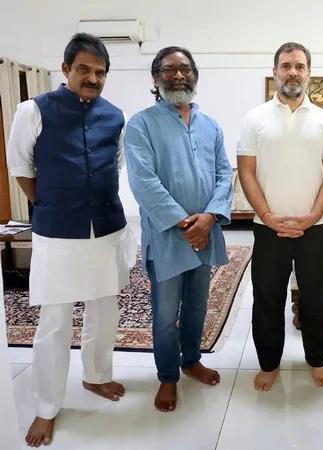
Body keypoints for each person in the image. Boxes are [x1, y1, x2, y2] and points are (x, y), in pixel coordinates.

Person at [7, 33, 135, 447]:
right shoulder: (33, 110)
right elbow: (21, 166)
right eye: (84, 69)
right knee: (55, 321)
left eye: (100, 72)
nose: (92, 78)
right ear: (66, 70)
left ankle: (96, 376)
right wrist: (48, 201)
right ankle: (47, 406)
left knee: (105, 310)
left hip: (106, 228)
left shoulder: (115, 115)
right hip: (57, 231)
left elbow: (113, 165)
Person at [124, 46, 232, 413]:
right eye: (169, 70)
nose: (179, 75)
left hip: (206, 231)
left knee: (198, 307)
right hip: (169, 236)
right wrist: (185, 222)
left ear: (195, 75)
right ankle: (168, 377)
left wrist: (210, 217)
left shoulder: (210, 124)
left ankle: (191, 361)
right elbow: (143, 181)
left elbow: (223, 174)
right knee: (166, 314)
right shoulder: (141, 124)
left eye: (185, 69)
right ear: (155, 78)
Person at [237, 42, 323, 391]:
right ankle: (269, 363)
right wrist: (267, 216)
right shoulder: (255, 118)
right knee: (267, 297)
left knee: (316, 296)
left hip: (315, 228)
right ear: (275, 72)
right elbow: (247, 172)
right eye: (286, 66)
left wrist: (313, 216)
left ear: (309, 72)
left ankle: (316, 359)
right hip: (268, 228)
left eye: (299, 66)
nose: (292, 72)